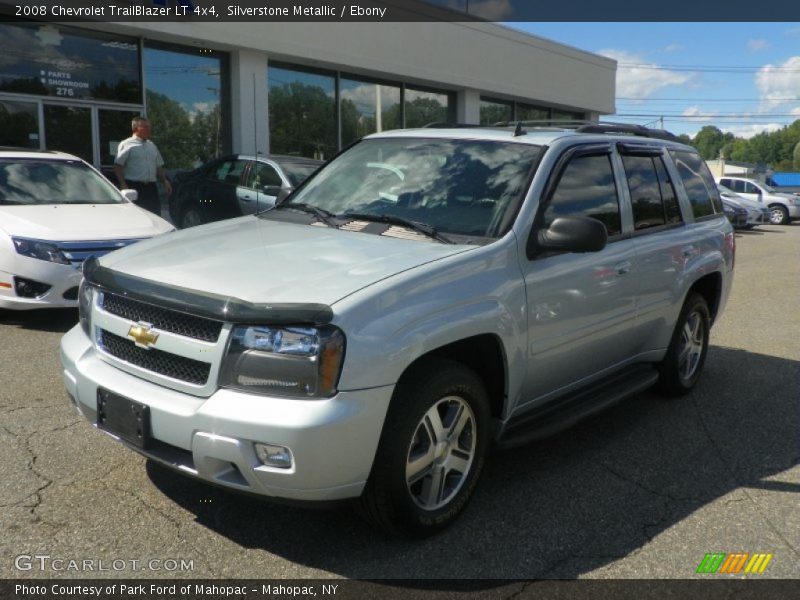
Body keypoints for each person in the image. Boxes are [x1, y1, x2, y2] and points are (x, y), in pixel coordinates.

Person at [114, 116, 172, 215]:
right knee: (137, 216)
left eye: (149, 127)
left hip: (151, 188)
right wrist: (123, 185)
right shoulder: (127, 144)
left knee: (156, 215)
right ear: (136, 128)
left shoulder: (152, 146)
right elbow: (118, 166)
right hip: (135, 187)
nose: (149, 129)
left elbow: (159, 166)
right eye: (145, 127)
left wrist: (165, 181)